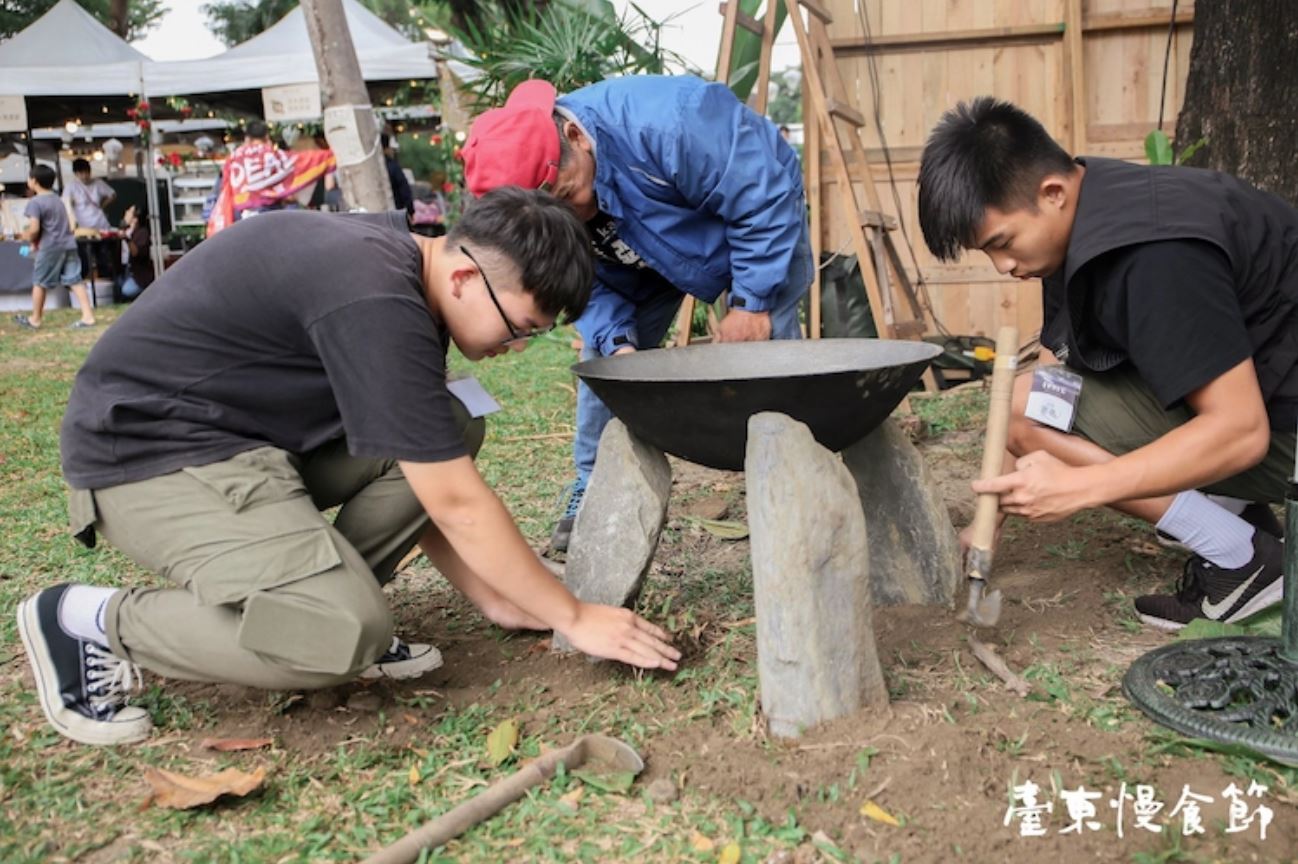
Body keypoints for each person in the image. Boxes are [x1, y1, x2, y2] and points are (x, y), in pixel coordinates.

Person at [17, 187, 680, 747]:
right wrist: (571, 613)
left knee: (449, 423)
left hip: (246, 446)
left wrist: (493, 597)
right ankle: (90, 622)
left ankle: (324, 605)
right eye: (521, 326)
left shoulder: (395, 265)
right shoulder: (375, 298)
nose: (517, 346)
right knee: (344, 632)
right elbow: (453, 501)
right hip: (149, 460)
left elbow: (418, 467)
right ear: (465, 276)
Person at [916, 97, 1298, 631]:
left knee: (1048, 418)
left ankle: (1246, 561)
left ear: (1051, 194)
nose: (1002, 267)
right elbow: (1051, 377)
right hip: (1273, 390)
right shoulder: (1083, 208)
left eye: (1001, 244)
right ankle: (1239, 520)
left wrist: (1079, 487)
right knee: (1033, 405)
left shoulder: (1156, 253)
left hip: (1276, 429)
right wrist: (992, 518)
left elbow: (1240, 433)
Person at [462, 76, 813, 552]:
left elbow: (761, 194)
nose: (572, 218)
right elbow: (581, 277)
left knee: (770, 357)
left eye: (568, 197)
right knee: (607, 365)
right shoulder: (540, 211)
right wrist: (617, 339)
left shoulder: (673, 122)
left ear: (576, 138)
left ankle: (790, 486)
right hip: (631, 258)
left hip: (743, 223)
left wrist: (752, 301)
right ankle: (593, 487)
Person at [13, 164, 96, 330]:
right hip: (68, 244)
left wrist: (26, 236)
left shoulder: (35, 203)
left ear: (34, 181)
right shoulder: (57, 199)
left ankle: (35, 319)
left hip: (50, 247)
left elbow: (35, 228)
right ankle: (88, 316)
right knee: (75, 280)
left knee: (39, 282)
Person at [64, 157, 117, 287]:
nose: (85, 176)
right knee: (84, 259)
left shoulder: (98, 183)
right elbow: (65, 203)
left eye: (86, 172)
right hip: (83, 229)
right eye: (81, 173)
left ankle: (106, 285)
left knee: (103, 258)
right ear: (76, 174)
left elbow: (112, 194)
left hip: (100, 225)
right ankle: (84, 287)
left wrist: (102, 205)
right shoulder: (72, 187)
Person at [118, 203, 153, 299]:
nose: (126, 212)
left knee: (126, 291)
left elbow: (136, 253)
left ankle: (144, 290)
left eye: (129, 211)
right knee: (115, 288)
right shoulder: (125, 230)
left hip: (138, 275)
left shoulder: (142, 233)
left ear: (135, 218)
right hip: (125, 270)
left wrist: (127, 239)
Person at [381, 132, 414, 214]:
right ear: (387, 149)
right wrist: (410, 210)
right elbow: (404, 190)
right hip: (395, 212)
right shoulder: (393, 167)